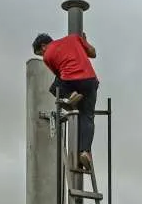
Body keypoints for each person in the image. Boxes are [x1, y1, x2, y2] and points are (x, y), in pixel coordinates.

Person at [32, 31, 99, 170]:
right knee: (87, 116)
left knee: (54, 88)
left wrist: (68, 92)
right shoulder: (74, 38)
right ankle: (85, 152)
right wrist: (84, 42)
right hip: (90, 81)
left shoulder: (48, 56)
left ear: (44, 46)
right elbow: (93, 53)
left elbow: (59, 75)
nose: (42, 56)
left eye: (40, 53)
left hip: (71, 80)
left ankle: (71, 95)